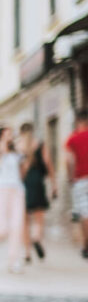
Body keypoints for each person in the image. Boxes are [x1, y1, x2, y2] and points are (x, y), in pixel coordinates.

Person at [0, 125, 26, 272]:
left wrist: (23, 152)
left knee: (17, 227)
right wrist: (1, 152)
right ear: (0, 135)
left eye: (11, 133)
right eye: (6, 133)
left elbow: (22, 174)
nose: (9, 136)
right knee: (3, 228)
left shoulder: (16, 152)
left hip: (16, 190)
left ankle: (13, 261)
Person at [18, 122, 56, 261]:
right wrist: (54, 184)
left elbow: (19, 172)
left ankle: (26, 253)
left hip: (24, 186)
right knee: (39, 219)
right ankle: (36, 238)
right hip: (38, 183)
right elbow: (49, 164)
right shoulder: (40, 144)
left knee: (25, 221)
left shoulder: (18, 147)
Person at [64, 109, 88, 259]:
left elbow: (68, 160)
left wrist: (70, 177)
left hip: (80, 179)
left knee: (84, 213)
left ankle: (86, 244)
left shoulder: (72, 139)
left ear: (78, 121)